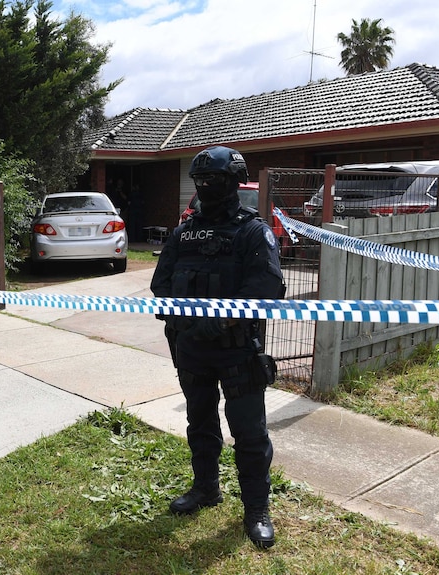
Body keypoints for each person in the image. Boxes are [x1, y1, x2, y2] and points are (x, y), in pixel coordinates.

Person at [150, 145, 286, 548]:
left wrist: (218, 320)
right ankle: (206, 489)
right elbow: (161, 285)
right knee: (201, 425)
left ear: (233, 183)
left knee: (249, 434)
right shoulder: (183, 232)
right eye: (202, 180)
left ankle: (256, 510)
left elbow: (263, 291)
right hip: (192, 349)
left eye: (216, 180)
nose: (208, 186)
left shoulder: (251, 230)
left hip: (236, 350)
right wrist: (189, 320)